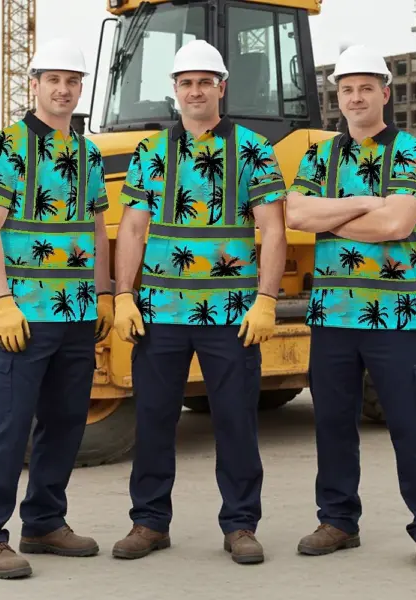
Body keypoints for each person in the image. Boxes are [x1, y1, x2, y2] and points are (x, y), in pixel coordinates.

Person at [110, 39, 287, 565]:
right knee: (154, 420)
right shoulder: (151, 152)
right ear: (174, 90)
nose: (195, 91)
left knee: (235, 421)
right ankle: (148, 523)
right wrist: (124, 295)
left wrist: (266, 300)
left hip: (232, 316)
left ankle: (241, 525)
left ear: (221, 88)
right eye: (186, 83)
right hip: (160, 313)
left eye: (204, 82)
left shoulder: (254, 150)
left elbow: (274, 230)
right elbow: (132, 228)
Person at [286, 44, 416, 571]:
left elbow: (396, 224)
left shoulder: (411, 151)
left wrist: (331, 216)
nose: (355, 97)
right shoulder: (319, 156)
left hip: (395, 317)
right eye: (347, 89)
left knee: (411, 424)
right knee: (333, 424)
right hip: (331, 315)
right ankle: (338, 521)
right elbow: (296, 215)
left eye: (365, 88)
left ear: (385, 92)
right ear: (337, 97)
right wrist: (364, 204)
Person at [0, 37, 113, 579]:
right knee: (7, 427)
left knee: (65, 423)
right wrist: (2, 301)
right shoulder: (4, 146)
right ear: (34, 85)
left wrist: (103, 292)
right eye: (54, 80)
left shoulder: (88, 152)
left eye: (73, 81)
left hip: (77, 314)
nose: (64, 90)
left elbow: (96, 226)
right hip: (24, 315)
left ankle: (45, 522)